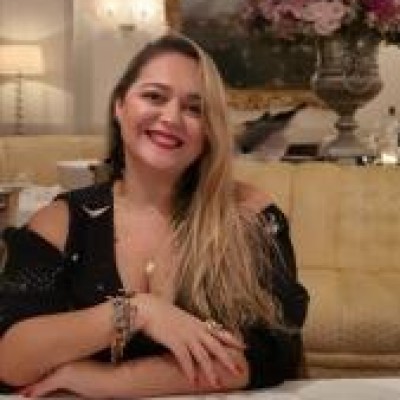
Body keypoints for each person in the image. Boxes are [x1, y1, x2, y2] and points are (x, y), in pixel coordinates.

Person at [0, 33, 309, 398]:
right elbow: (11, 358)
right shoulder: (62, 221)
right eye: (154, 96)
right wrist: (136, 312)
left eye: (194, 108)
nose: (172, 118)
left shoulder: (250, 215)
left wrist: (108, 381)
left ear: (210, 130)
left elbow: (271, 355)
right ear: (120, 105)